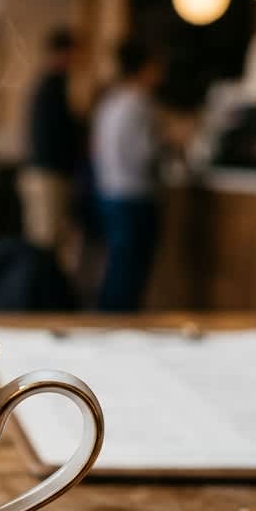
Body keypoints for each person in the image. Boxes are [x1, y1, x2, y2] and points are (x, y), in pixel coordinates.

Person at [92, 38, 164, 312]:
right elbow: (144, 155)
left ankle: (108, 321)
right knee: (129, 270)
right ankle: (121, 324)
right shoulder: (140, 104)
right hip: (135, 195)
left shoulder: (110, 102)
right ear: (146, 68)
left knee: (117, 264)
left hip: (109, 191)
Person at [19, 27, 81, 273]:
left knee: (48, 240)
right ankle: (39, 303)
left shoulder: (52, 83)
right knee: (43, 242)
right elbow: (53, 135)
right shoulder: (51, 85)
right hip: (47, 174)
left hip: (46, 172)